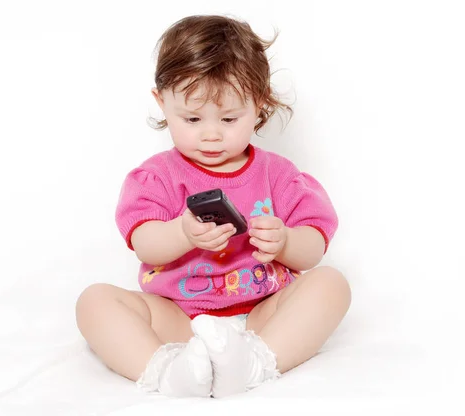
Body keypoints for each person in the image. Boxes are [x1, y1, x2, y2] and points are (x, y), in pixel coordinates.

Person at [76, 14, 351, 398]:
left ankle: (255, 361)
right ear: (162, 102)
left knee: (332, 285)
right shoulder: (157, 177)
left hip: (262, 313)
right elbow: (144, 243)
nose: (210, 134)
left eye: (228, 118)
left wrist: (286, 241)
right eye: (191, 118)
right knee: (94, 302)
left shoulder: (279, 174)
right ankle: (168, 372)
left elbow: (314, 250)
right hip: (179, 318)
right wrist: (181, 232)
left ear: (259, 103)